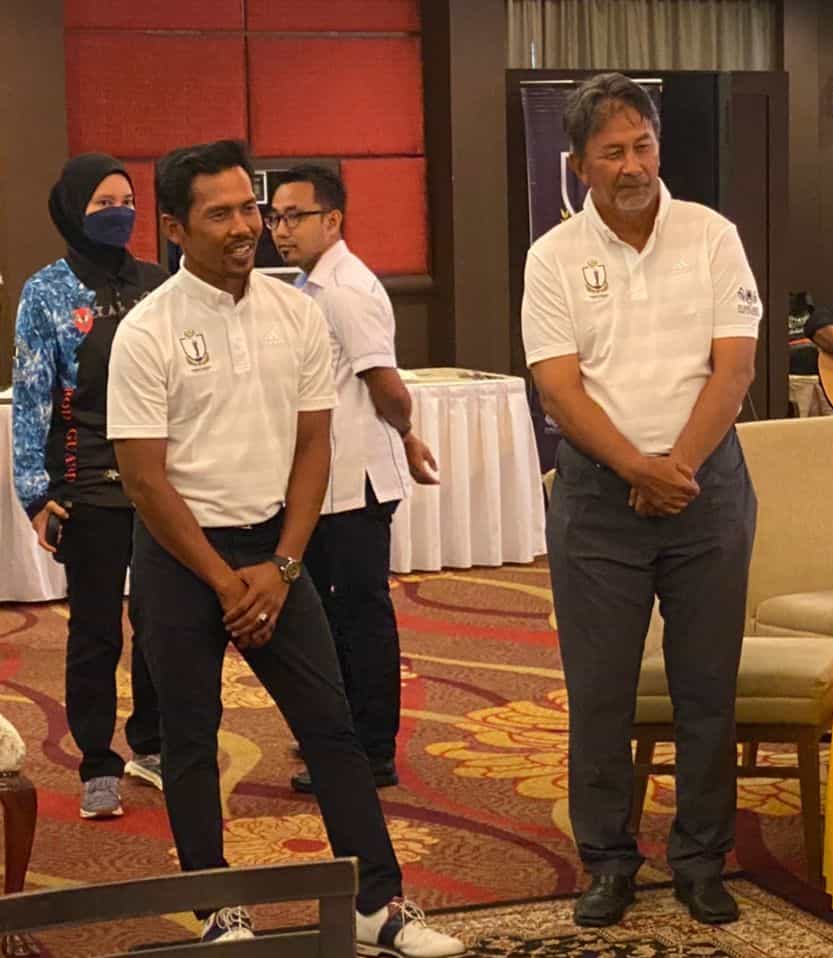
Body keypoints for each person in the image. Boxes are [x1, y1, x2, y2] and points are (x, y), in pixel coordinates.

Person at [106, 139, 463, 956]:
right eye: (220, 213)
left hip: (276, 552)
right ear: (174, 228)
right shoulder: (148, 330)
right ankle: (217, 911)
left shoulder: (297, 313)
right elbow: (145, 480)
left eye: (250, 209)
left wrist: (284, 566)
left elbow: (314, 448)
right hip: (179, 555)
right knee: (190, 738)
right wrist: (221, 581)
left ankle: (377, 903)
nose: (245, 227)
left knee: (332, 727)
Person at [522, 73, 759, 928]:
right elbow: (558, 387)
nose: (632, 166)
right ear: (579, 165)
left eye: (644, 146)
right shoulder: (553, 257)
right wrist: (636, 468)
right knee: (600, 692)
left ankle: (701, 858)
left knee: (707, 688)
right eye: (613, 152)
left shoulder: (712, 236)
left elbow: (735, 367)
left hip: (706, 489)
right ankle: (608, 862)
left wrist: (677, 467)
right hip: (598, 500)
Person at [266, 164, 438, 795]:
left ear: (332, 220)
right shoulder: (310, 285)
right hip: (324, 483)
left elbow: (386, 385)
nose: (280, 230)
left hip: (353, 486)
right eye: (275, 217)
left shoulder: (345, 289)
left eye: (295, 216)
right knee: (329, 617)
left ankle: (372, 750)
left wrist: (407, 432)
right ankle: (342, 732)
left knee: (359, 618)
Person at [11, 153, 164, 819]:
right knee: (97, 631)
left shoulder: (157, 282)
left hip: (158, 480)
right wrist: (34, 492)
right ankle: (97, 762)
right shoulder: (46, 291)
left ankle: (152, 744)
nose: (118, 213)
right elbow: (31, 396)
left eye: (126, 201)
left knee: (163, 622)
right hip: (87, 481)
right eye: (104, 203)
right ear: (75, 210)